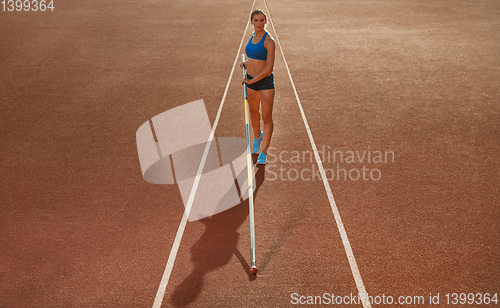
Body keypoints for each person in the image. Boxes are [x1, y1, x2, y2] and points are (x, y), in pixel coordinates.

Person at [241, 9, 276, 165]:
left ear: (266, 21)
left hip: (264, 82)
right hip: (251, 79)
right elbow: (254, 57)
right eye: (256, 20)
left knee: (266, 117)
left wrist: (252, 80)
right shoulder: (252, 37)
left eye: (262, 20)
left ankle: (264, 150)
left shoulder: (269, 41)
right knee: (253, 112)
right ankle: (257, 137)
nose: (259, 23)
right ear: (251, 22)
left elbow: (269, 68)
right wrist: (248, 64)